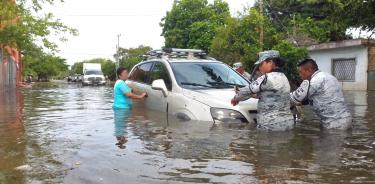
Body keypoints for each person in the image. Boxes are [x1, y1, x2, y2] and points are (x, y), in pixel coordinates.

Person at [231, 50, 294, 131]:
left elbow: (248, 90)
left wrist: (236, 98)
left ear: (270, 62)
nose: (259, 67)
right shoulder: (284, 78)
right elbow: (265, 95)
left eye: (261, 64)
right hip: (288, 123)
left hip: (270, 124)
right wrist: (245, 95)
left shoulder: (266, 78)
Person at [290, 59, 352, 129]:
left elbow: (294, 97)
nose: (300, 75)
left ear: (309, 70)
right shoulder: (330, 77)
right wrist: (301, 103)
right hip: (346, 118)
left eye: (301, 72)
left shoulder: (314, 81)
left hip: (333, 124)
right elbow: (322, 97)